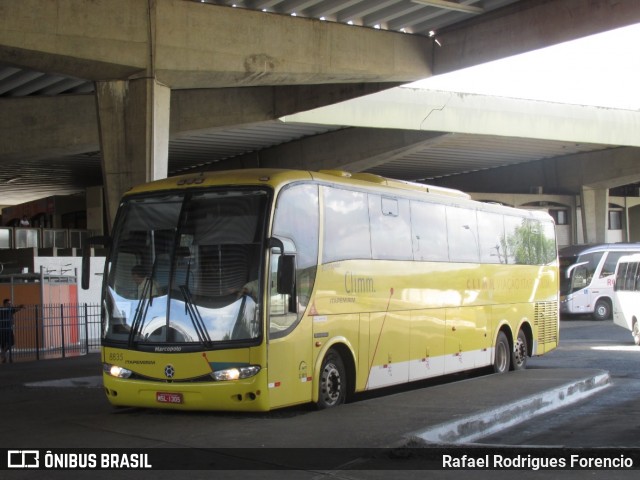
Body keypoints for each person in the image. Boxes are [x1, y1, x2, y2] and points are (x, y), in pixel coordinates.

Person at [1, 299, 24, 364]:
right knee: (2, 344)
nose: (10, 304)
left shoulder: (10, 310)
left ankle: (3, 353)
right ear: (4, 304)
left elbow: (16, 309)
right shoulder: (1, 310)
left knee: (12, 342)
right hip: (2, 329)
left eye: (10, 303)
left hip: (9, 329)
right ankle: (5, 359)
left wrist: (20, 306)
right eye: (8, 303)